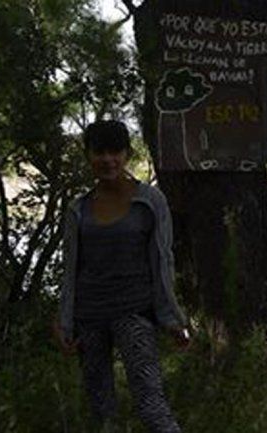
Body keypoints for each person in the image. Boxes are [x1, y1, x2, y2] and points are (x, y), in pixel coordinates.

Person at [53, 120, 190, 433]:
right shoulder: (78, 209)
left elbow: (162, 261)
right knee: (101, 410)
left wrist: (172, 318)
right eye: (99, 152)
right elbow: (71, 268)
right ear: (88, 156)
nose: (107, 160)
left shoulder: (149, 201)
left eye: (115, 151)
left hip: (134, 313)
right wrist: (64, 319)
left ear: (127, 154)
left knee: (152, 404)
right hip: (89, 318)